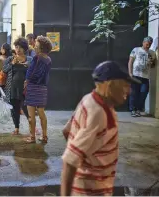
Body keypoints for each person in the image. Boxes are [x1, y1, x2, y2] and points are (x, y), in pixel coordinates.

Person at [61, 61, 137, 196]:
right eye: (125, 85)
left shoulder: (88, 99)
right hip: (91, 192)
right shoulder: (100, 114)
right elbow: (70, 160)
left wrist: (86, 161)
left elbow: (67, 130)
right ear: (109, 83)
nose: (129, 90)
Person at [24, 35, 53, 143]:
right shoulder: (48, 59)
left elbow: (32, 73)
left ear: (41, 47)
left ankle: (32, 137)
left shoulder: (37, 58)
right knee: (41, 112)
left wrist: (26, 81)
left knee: (31, 114)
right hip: (42, 88)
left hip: (32, 87)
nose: (34, 46)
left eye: (36, 45)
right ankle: (44, 136)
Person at [2, 38, 33, 136]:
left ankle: (32, 127)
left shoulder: (30, 59)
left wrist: (28, 66)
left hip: (25, 89)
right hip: (12, 88)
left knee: (27, 108)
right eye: (16, 47)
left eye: (20, 47)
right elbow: (4, 70)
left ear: (24, 48)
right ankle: (16, 128)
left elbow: (33, 72)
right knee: (14, 109)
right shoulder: (10, 59)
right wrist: (12, 64)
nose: (18, 49)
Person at [128, 36, 157, 117]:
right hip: (136, 75)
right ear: (143, 42)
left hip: (146, 76)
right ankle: (133, 109)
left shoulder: (152, 53)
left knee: (143, 93)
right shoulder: (136, 50)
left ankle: (138, 109)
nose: (148, 46)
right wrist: (130, 73)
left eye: (150, 44)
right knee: (134, 93)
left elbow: (153, 65)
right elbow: (130, 61)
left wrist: (151, 62)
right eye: (147, 44)